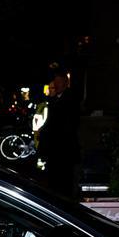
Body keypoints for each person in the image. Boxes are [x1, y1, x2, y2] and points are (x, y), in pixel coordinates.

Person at [38, 67, 80, 199]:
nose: (56, 85)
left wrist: (51, 99)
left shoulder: (69, 98)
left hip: (63, 147)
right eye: (55, 82)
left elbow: (59, 120)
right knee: (54, 179)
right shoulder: (57, 98)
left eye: (59, 82)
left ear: (65, 82)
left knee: (63, 180)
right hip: (55, 148)